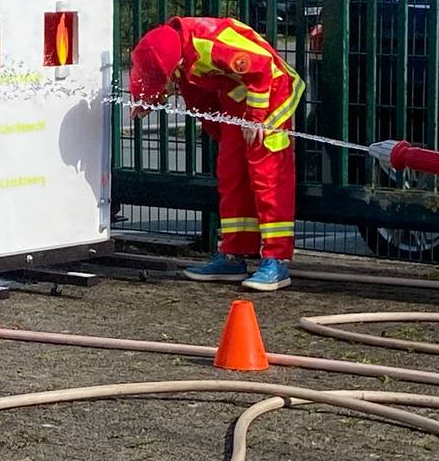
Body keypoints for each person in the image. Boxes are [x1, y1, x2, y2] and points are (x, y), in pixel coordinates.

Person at [124, 16, 304, 291]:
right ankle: (233, 255)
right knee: (231, 173)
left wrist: (256, 117)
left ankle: (276, 260)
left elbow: (262, 69)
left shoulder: (208, 44)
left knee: (266, 174)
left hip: (271, 91)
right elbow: (191, 96)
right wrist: (147, 101)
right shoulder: (175, 52)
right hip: (238, 96)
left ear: (176, 66)